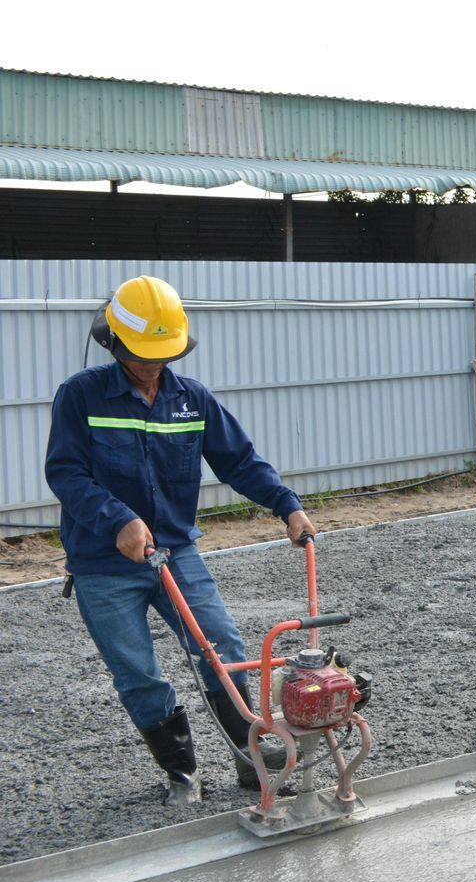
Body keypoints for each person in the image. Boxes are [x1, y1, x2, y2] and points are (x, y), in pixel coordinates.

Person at [44, 275, 316, 804]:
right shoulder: (80, 396)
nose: (153, 365)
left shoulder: (191, 400)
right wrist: (118, 519)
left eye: (162, 354)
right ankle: (182, 773)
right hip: (103, 564)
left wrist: (287, 505)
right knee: (138, 673)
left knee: (224, 648)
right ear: (115, 342)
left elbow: (238, 460)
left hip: (176, 551)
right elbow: (66, 473)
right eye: (143, 354)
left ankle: (251, 757)